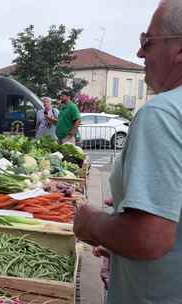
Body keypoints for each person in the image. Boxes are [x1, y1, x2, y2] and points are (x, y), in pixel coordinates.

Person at [73, 1, 182, 303]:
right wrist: (119, 239)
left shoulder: (163, 113)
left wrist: (91, 222)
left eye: (147, 41)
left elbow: (150, 238)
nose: (139, 53)